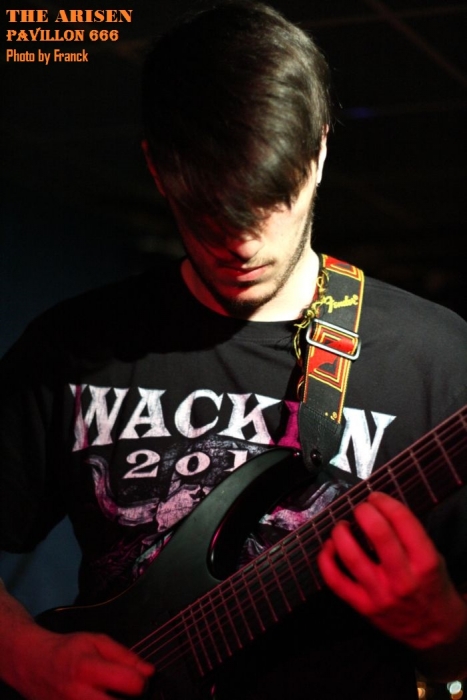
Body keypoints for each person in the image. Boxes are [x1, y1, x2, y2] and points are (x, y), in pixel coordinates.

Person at [1, 2, 466, 699]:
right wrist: (25, 654)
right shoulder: (70, 346)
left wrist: (447, 632)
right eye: (207, 210)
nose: (241, 244)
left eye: (270, 203)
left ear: (319, 152)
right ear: (156, 169)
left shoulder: (438, 362)